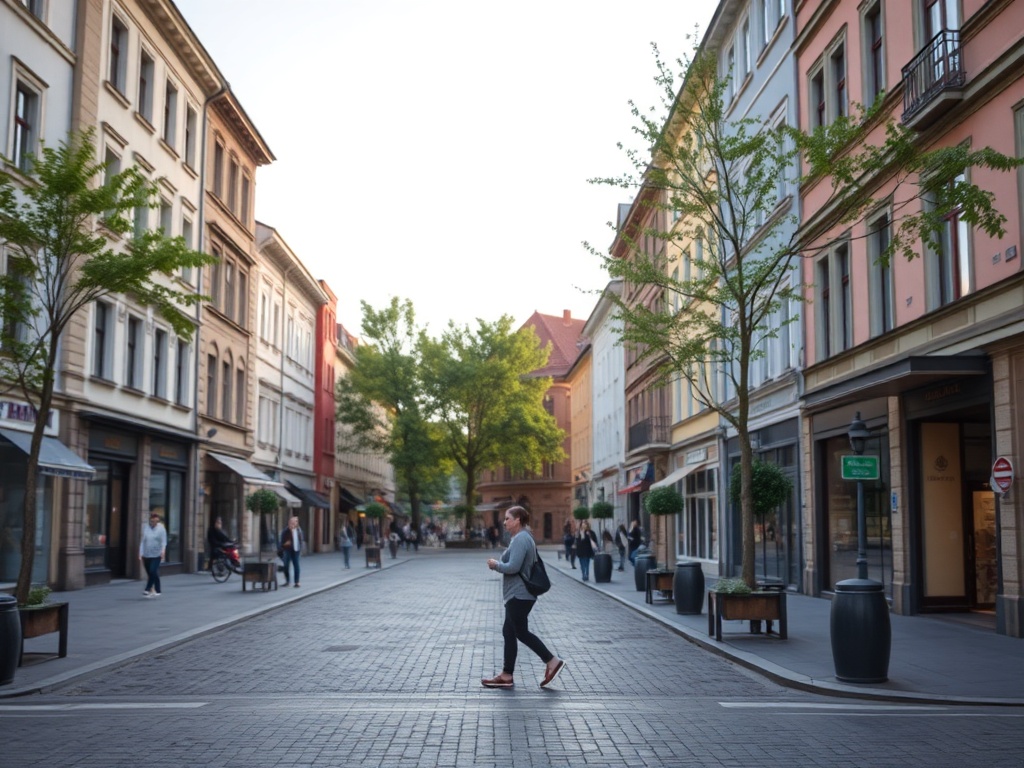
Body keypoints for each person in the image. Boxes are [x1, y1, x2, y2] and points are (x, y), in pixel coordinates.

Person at [482, 506, 565, 690]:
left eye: (507, 518)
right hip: (518, 594)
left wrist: (496, 565)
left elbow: (513, 567)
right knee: (509, 632)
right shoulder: (521, 538)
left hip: (520, 594)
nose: (504, 522)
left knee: (520, 632)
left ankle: (552, 661)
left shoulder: (521, 539)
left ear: (518, 520)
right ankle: (507, 675)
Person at [139, 513, 167, 598]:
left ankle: (147, 589)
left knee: (152, 571)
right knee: (151, 573)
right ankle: (157, 590)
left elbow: (164, 541)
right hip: (146, 554)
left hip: (157, 554)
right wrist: (140, 553)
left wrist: (163, 551)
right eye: (152, 521)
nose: (154, 523)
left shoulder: (161, 529)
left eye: (156, 521)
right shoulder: (146, 528)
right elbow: (143, 541)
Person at [279, 516, 305, 587]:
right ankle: (287, 581)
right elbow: (281, 542)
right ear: (289, 522)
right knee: (286, 566)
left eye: (295, 522)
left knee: (296, 566)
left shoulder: (299, 530)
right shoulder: (285, 531)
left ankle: (297, 582)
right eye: (291, 522)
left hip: (296, 550)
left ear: (297, 523)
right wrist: (285, 544)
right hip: (287, 550)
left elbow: (301, 540)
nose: (293, 523)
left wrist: (301, 549)